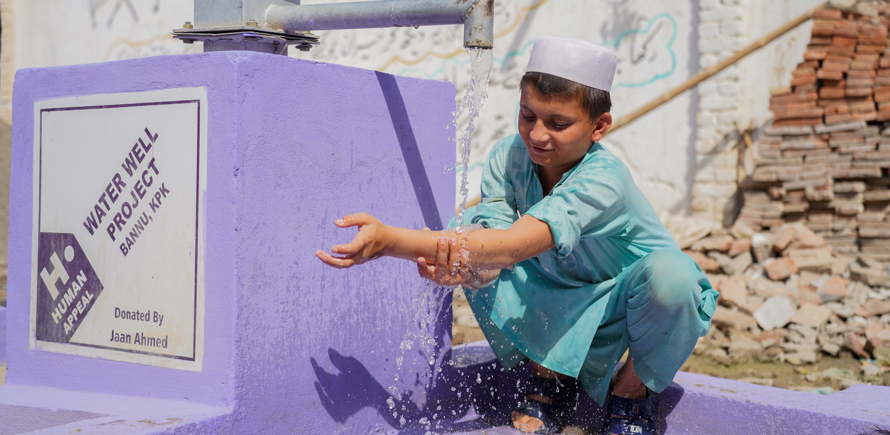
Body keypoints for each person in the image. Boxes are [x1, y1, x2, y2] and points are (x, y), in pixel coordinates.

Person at [317, 36, 718, 435]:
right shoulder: (509, 156)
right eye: (528, 116)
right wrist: (462, 265)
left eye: (558, 124)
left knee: (675, 279)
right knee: (476, 234)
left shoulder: (603, 179)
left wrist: (391, 242)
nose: (537, 135)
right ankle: (550, 377)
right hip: (558, 295)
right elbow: (493, 241)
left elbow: (510, 247)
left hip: (623, 302)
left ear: (599, 126)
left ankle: (631, 393)